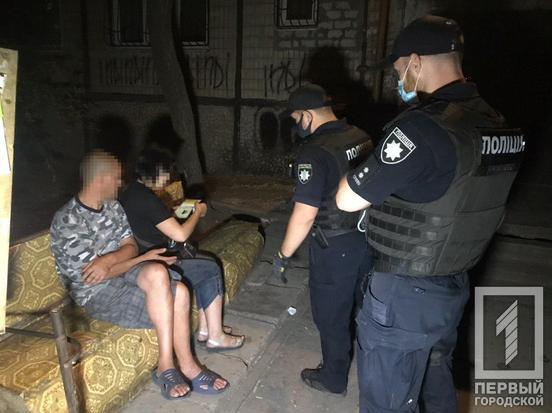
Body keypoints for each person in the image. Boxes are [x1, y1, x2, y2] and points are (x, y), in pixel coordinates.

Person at [336, 16, 525, 413]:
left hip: (406, 290)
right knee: (436, 384)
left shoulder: (421, 128)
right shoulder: (495, 124)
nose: (398, 80)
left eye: (398, 70)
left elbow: (347, 199)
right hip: (452, 285)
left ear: (416, 62)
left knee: (388, 402)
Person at [50, 150, 230, 400]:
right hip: (97, 293)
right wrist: (136, 260)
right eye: (116, 177)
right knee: (179, 293)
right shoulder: (68, 220)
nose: (120, 183)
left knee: (157, 271)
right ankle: (181, 366)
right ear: (101, 179)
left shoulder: (112, 206)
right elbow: (94, 277)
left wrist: (110, 259)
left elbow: (131, 245)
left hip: (125, 272)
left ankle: (171, 365)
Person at [272, 84, 373, 395]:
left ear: (306, 115)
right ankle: (371, 366)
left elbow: (304, 214)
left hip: (335, 246)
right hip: (368, 238)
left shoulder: (314, 152)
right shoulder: (360, 135)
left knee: (331, 316)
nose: (295, 126)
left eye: (295, 119)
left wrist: (283, 254)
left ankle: (333, 378)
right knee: (363, 306)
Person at [119, 148, 244, 351]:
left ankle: (206, 329)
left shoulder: (133, 192)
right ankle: (216, 336)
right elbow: (180, 235)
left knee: (204, 262)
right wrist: (198, 212)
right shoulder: (146, 198)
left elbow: (153, 219)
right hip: (152, 262)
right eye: (166, 173)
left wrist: (173, 210)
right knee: (210, 268)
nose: (168, 178)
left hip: (146, 256)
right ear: (157, 171)